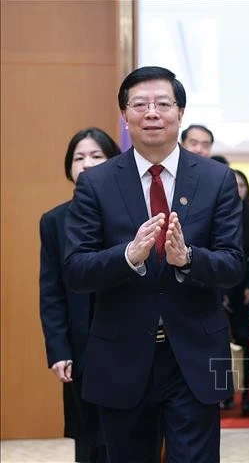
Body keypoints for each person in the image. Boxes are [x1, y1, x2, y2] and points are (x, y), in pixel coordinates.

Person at [64, 66, 244, 463]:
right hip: (122, 356)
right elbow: (76, 269)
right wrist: (127, 256)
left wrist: (189, 259)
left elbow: (233, 265)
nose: (152, 113)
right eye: (139, 104)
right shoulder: (97, 183)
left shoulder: (217, 180)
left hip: (193, 356)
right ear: (124, 117)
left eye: (163, 103)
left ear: (180, 112)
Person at [40, 127, 121, 462]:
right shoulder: (55, 221)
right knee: (88, 438)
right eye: (79, 157)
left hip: (126, 341)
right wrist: (58, 350)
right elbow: (52, 290)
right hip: (81, 345)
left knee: (127, 436)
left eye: (96, 156)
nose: (86, 164)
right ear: (69, 167)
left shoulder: (129, 215)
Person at [222, 169, 249, 416]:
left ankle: (246, 394)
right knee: (222, 344)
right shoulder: (220, 215)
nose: (238, 191)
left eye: (241, 186)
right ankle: (225, 392)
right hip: (222, 289)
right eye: (233, 185)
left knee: (244, 342)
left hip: (246, 289)